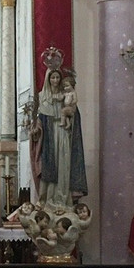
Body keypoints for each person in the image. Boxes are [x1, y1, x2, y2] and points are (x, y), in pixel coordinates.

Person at [31, 66, 87, 207]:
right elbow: (39, 120)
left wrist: (71, 117)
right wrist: (36, 131)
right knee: (49, 165)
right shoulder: (42, 97)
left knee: (63, 164)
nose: (55, 80)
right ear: (48, 79)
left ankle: (62, 199)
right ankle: (46, 199)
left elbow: (74, 114)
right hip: (49, 135)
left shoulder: (66, 95)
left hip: (63, 132)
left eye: (57, 77)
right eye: (52, 77)